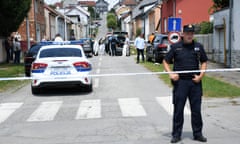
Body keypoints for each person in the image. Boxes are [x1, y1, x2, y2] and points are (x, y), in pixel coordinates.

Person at [163, 24, 208, 143]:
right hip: (180, 83)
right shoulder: (176, 47)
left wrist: (200, 76)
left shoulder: (198, 47)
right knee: (178, 110)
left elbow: (204, 62)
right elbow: (165, 61)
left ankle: (198, 134)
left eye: (191, 33)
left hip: (195, 82)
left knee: (196, 110)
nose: (189, 35)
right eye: (187, 33)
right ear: (183, 34)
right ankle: (176, 135)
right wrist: (171, 74)